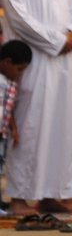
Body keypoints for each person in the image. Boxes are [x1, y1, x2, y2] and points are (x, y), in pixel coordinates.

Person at [0, 0, 72, 216]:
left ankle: (53, 193)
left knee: (65, 126)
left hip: (65, 64)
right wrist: (57, 40)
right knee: (30, 126)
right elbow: (20, 19)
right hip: (35, 61)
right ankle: (21, 198)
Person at [0, 40, 32, 205]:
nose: (19, 74)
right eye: (18, 69)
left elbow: (8, 108)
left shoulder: (10, 83)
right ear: (7, 62)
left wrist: (14, 129)